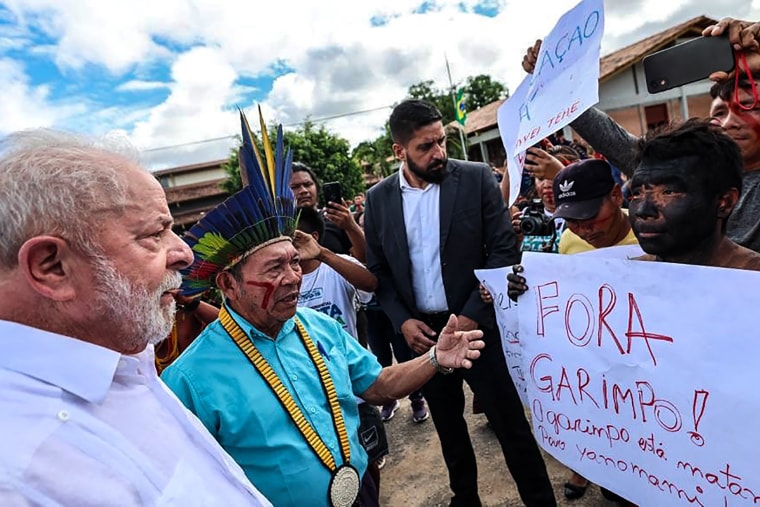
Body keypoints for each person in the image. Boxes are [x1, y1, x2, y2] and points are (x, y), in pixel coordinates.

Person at [161, 111, 485, 507]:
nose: (294, 277)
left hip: (363, 491)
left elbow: (378, 385)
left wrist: (436, 358)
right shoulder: (188, 380)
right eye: (275, 268)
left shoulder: (318, 326)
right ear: (228, 284)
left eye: (294, 262)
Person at [0, 129, 270, 505]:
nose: (185, 253)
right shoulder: (22, 474)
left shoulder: (125, 360)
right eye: (154, 235)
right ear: (53, 267)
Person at [507, 120, 760, 507]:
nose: (643, 207)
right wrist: (529, 298)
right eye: (638, 189)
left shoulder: (750, 286)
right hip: (640, 477)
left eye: (669, 190)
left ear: (724, 201)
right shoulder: (618, 281)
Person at [363, 99, 556, 507]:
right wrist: (402, 322)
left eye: (442, 141)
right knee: (449, 428)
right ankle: (465, 499)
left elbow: (503, 249)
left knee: (510, 426)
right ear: (399, 151)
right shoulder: (378, 200)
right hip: (423, 338)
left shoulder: (475, 179)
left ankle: (541, 501)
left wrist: (471, 314)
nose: (439, 153)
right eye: (426, 146)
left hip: (478, 326)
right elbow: (378, 270)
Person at [521, 18, 760, 252]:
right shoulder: (678, 169)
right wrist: (555, 83)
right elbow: (611, 139)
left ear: (726, 201)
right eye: (720, 111)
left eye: (751, 107)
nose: (730, 122)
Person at [552, 159, 639, 254]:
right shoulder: (568, 240)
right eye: (571, 220)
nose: (583, 231)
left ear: (616, 195)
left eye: (590, 215)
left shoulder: (651, 237)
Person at [290, 162, 366, 262]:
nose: (303, 190)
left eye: (308, 184)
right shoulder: (276, 230)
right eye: (294, 187)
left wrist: (351, 226)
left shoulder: (336, 220)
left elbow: (365, 258)